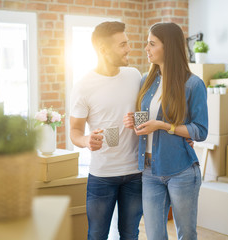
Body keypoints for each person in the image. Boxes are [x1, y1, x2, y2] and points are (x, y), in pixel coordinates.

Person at [123, 22, 208, 240]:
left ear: (168, 47)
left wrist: (163, 125)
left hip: (181, 171)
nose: (146, 49)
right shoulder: (146, 80)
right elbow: (145, 122)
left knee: (186, 234)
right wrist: (134, 121)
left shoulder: (193, 84)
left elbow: (200, 131)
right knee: (154, 236)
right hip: (149, 171)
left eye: (152, 44)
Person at [70, 21, 143, 240]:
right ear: (103, 50)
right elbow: (74, 131)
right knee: (97, 235)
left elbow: (145, 114)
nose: (128, 49)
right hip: (102, 176)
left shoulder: (134, 75)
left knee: (130, 234)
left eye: (127, 43)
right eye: (122, 45)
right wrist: (86, 141)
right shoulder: (84, 85)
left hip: (135, 174)